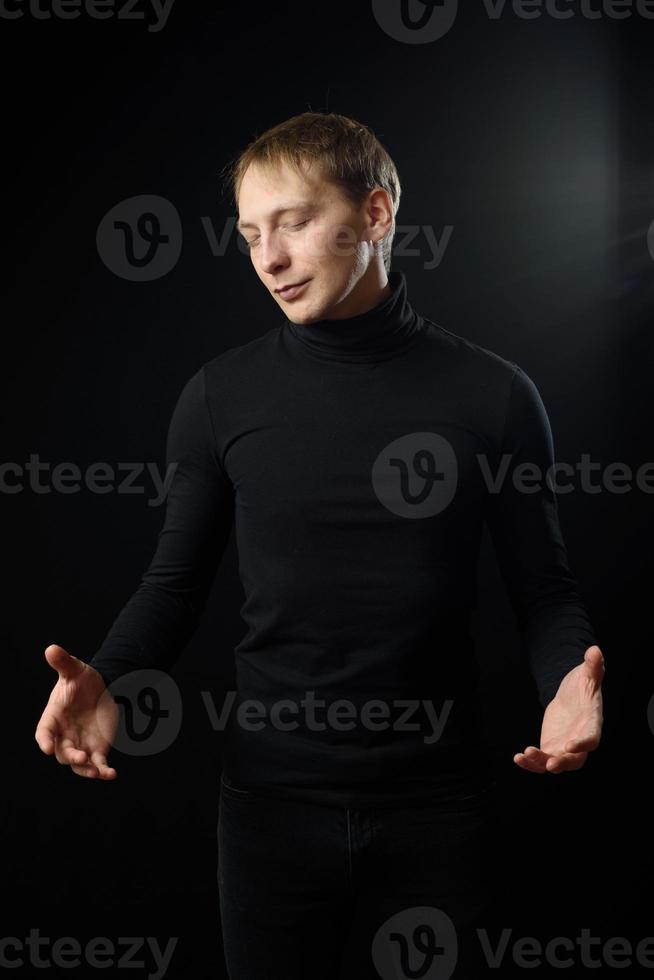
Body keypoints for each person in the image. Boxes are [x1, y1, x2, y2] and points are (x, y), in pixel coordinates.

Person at [35, 112, 605, 979]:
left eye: (294, 223)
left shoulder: (493, 395)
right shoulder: (219, 397)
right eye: (252, 235)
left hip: (439, 807)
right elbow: (174, 583)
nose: (268, 260)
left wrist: (566, 681)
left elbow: (545, 589)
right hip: (269, 811)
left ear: (375, 214)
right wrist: (107, 674)